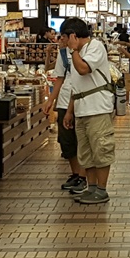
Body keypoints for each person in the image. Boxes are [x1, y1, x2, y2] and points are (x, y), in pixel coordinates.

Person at [61, 17, 115, 205]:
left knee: (101, 149)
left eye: (65, 37)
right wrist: (69, 111)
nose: (63, 42)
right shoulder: (75, 53)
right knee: (86, 152)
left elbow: (84, 69)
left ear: (73, 36)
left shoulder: (95, 47)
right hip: (81, 109)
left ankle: (102, 189)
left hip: (98, 108)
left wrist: (75, 50)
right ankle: (91, 187)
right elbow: (76, 86)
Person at [43, 39, 86, 197]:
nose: (61, 40)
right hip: (63, 101)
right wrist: (50, 100)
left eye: (63, 37)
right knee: (67, 141)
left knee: (82, 140)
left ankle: (83, 176)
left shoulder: (87, 50)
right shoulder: (62, 54)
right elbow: (59, 79)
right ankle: (75, 174)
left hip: (82, 101)